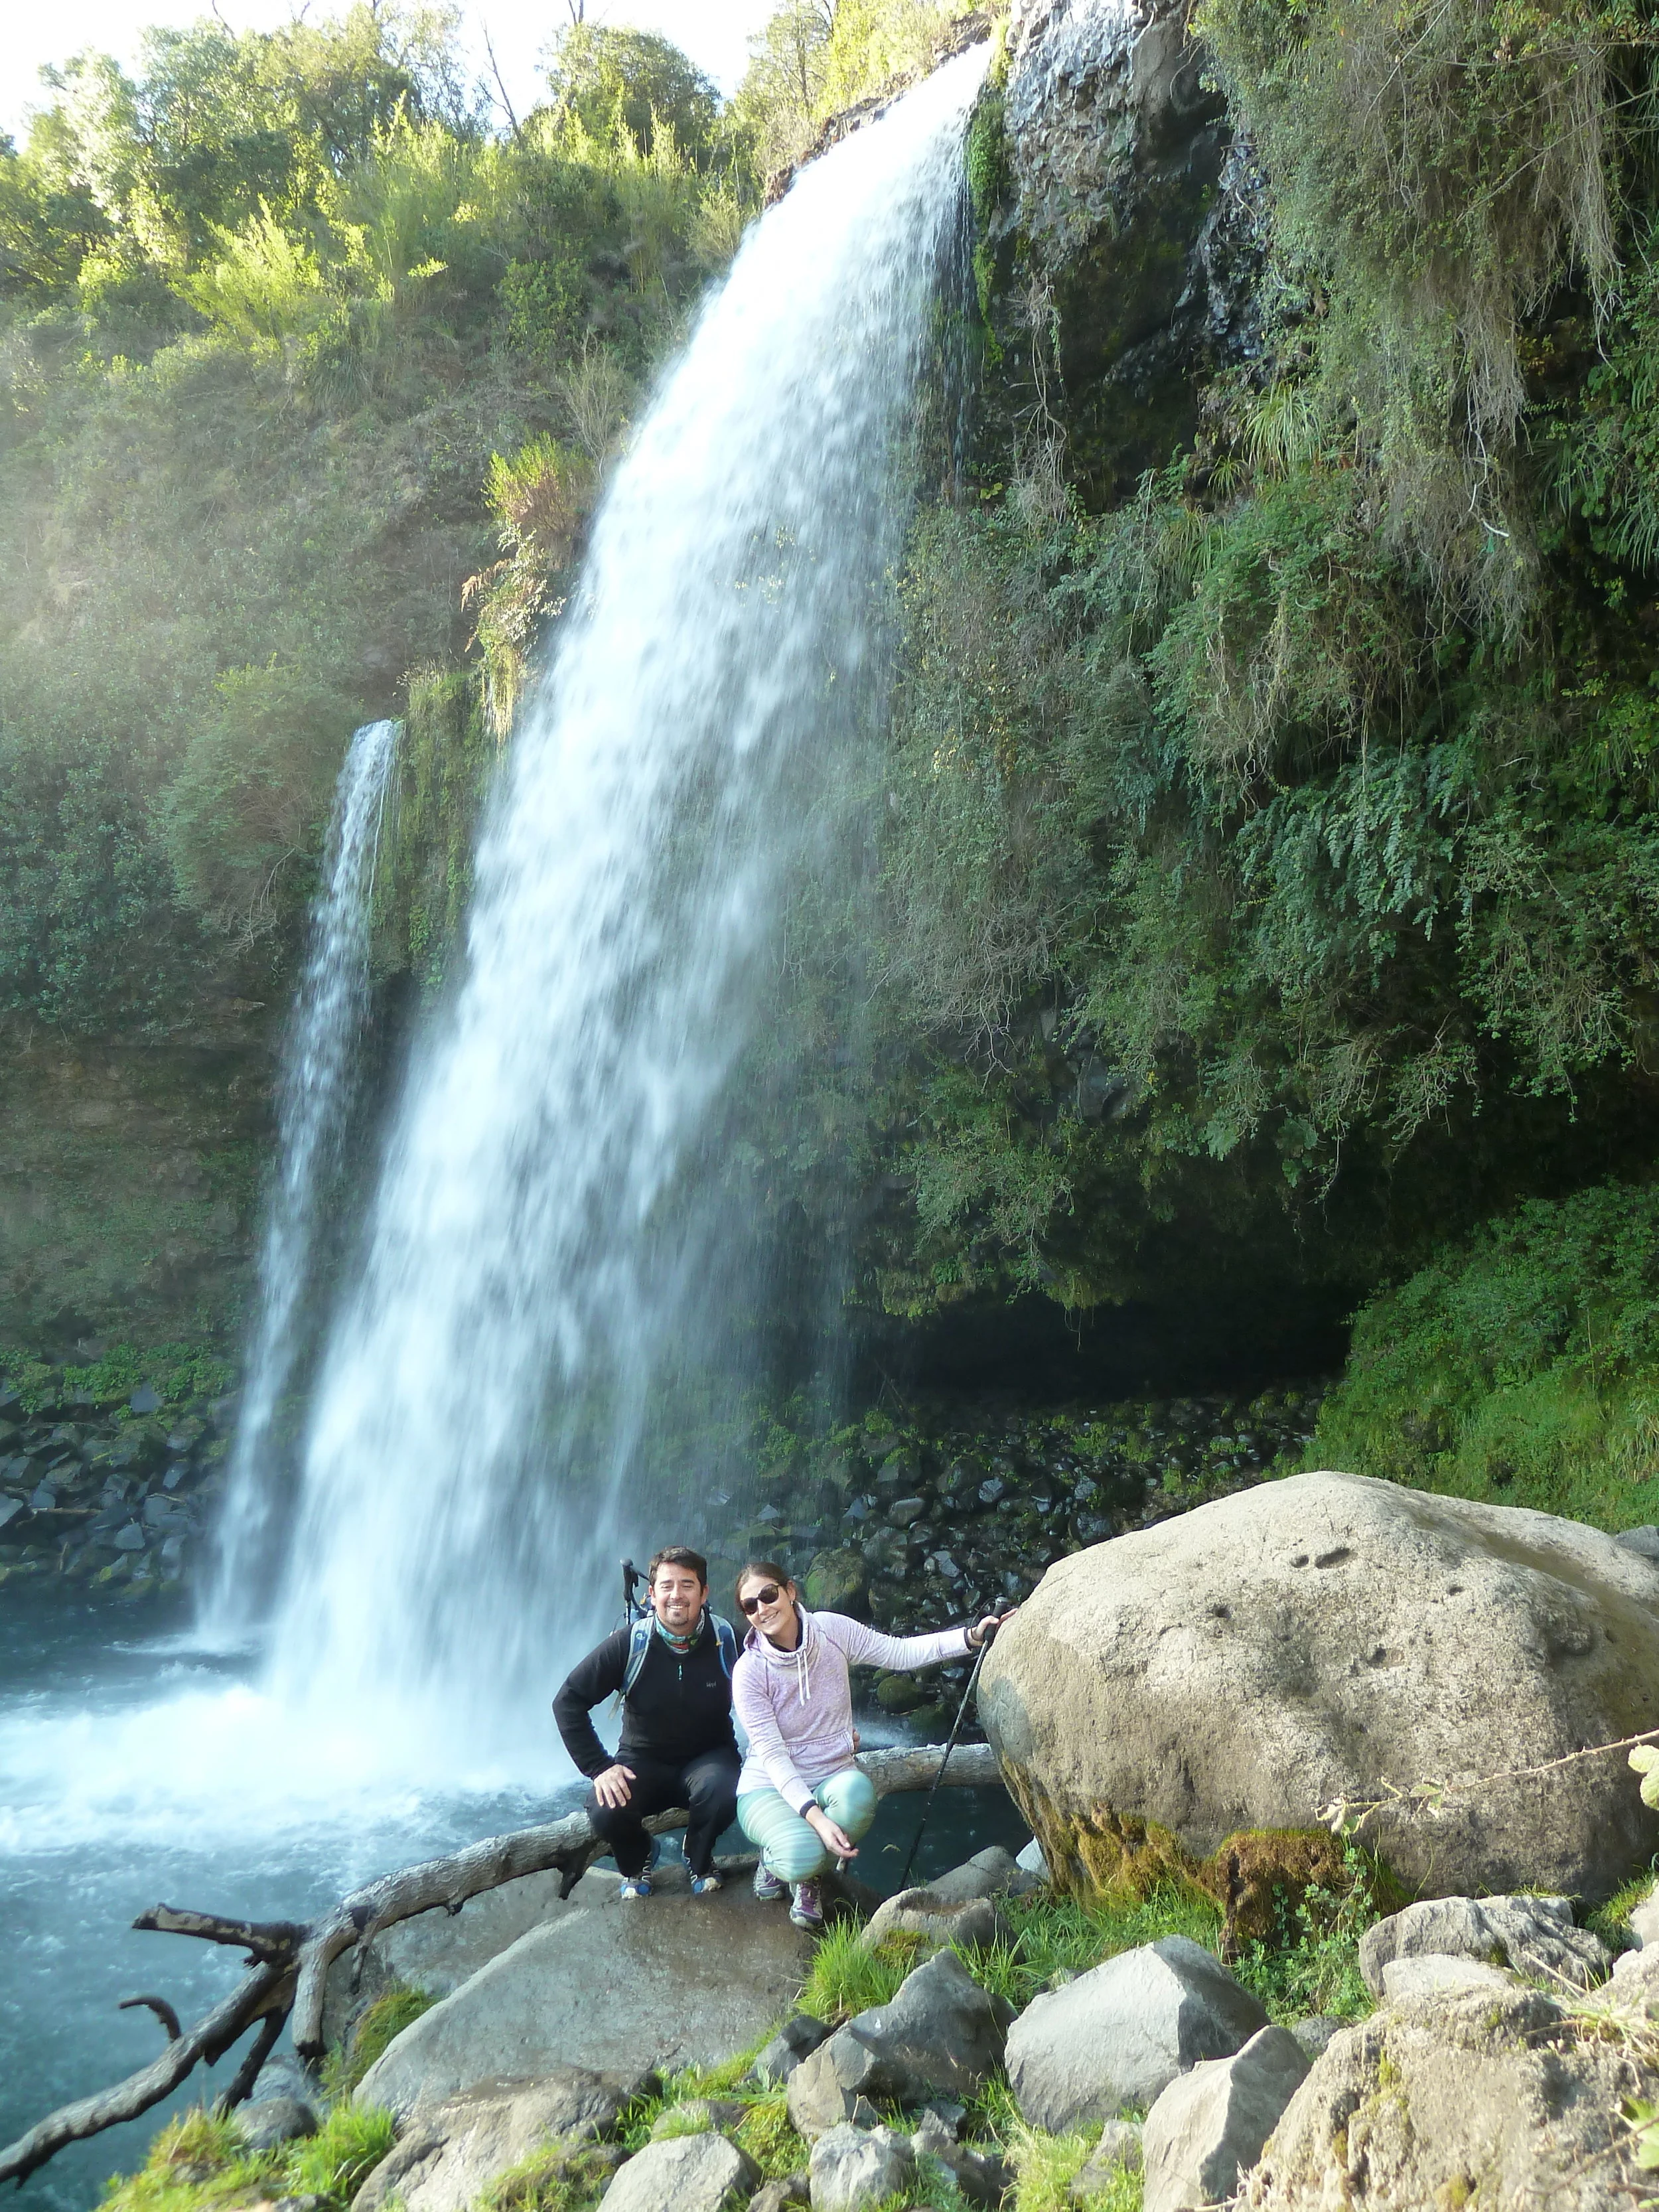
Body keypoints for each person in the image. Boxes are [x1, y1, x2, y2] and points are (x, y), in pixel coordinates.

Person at [731, 1558, 1015, 1930]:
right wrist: (816, 1818)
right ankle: (776, 1862)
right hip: (769, 1787)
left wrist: (971, 1637)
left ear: (790, 1591)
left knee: (859, 1798)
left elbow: (898, 1653)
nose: (762, 1609)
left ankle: (811, 1878)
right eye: (750, 1606)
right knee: (802, 1852)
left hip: (832, 1774)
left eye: (768, 1595)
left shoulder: (831, 1630)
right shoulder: (749, 1672)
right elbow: (772, 1756)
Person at [553, 1545, 741, 1899]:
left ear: (704, 1593)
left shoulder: (727, 1640)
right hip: (642, 1760)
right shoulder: (631, 1643)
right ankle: (638, 1859)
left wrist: (830, 1730)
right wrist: (599, 1768)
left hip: (710, 1756)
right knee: (605, 1806)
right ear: (651, 1594)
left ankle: (698, 1858)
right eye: (667, 1586)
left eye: (687, 1585)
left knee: (726, 1790)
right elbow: (567, 1702)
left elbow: (778, 1686)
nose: (676, 1595)